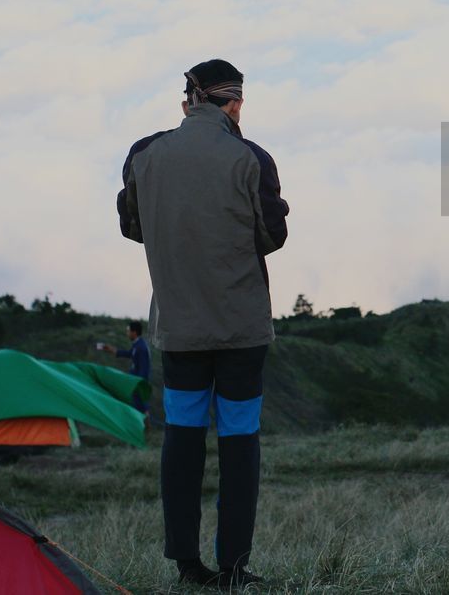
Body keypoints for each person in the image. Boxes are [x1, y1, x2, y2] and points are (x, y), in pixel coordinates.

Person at [117, 59, 289, 589]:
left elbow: (132, 225)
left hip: (179, 327)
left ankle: (187, 565)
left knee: (182, 440)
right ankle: (235, 566)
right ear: (234, 104)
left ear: (188, 100)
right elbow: (272, 235)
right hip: (240, 330)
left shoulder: (144, 155)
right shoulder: (251, 158)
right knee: (240, 444)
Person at [102, 321, 151, 412]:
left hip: (138, 385)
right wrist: (112, 350)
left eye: (128, 331)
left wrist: (136, 383)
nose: (127, 333)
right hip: (134, 382)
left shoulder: (141, 347)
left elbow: (144, 370)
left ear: (134, 332)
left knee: (141, 408)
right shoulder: (137, 345)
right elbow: (129, 354)